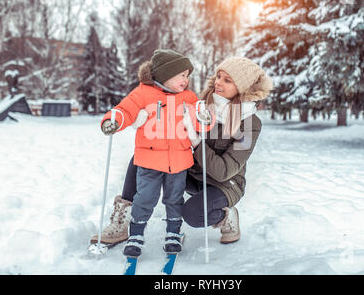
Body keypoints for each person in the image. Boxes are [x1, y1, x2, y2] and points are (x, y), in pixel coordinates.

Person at [91, 56, 272, 248]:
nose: (218, 83)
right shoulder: (202, 104)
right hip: (190, 171)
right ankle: (123, 219)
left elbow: (223, 171)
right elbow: (163, 113)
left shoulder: (250, 123)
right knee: (146, 156)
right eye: (219, 76)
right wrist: (146, 118)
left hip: (224, 184)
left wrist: (195, 141)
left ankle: (227, 216)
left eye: (227, 80)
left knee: (194, 215)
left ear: (242, 88)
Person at [96, 49, 212, 257]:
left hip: (178, 161)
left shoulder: (189, 98)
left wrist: (205, 119)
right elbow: (125, 110)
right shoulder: (143, 93)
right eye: (181, 75)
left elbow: (200, 122)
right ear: (166, 74)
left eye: (187, 76)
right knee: (144, 198)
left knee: (174, 198)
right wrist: (113, 120)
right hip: (149, 161)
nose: (186, 80)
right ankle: (136, 233)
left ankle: (173, 233)